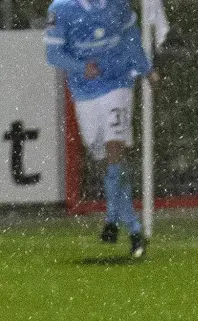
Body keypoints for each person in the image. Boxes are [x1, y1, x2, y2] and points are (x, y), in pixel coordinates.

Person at [45, 0, 154, 258]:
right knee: (104, 159)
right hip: (84, 91)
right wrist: (82, 67)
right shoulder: (61, 9)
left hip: (118, 84)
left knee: (115, 150)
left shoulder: (118, 5)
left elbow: (130, 39)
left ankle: (133, 228)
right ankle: (114, 218)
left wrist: (147, 70)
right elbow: (53, 55)